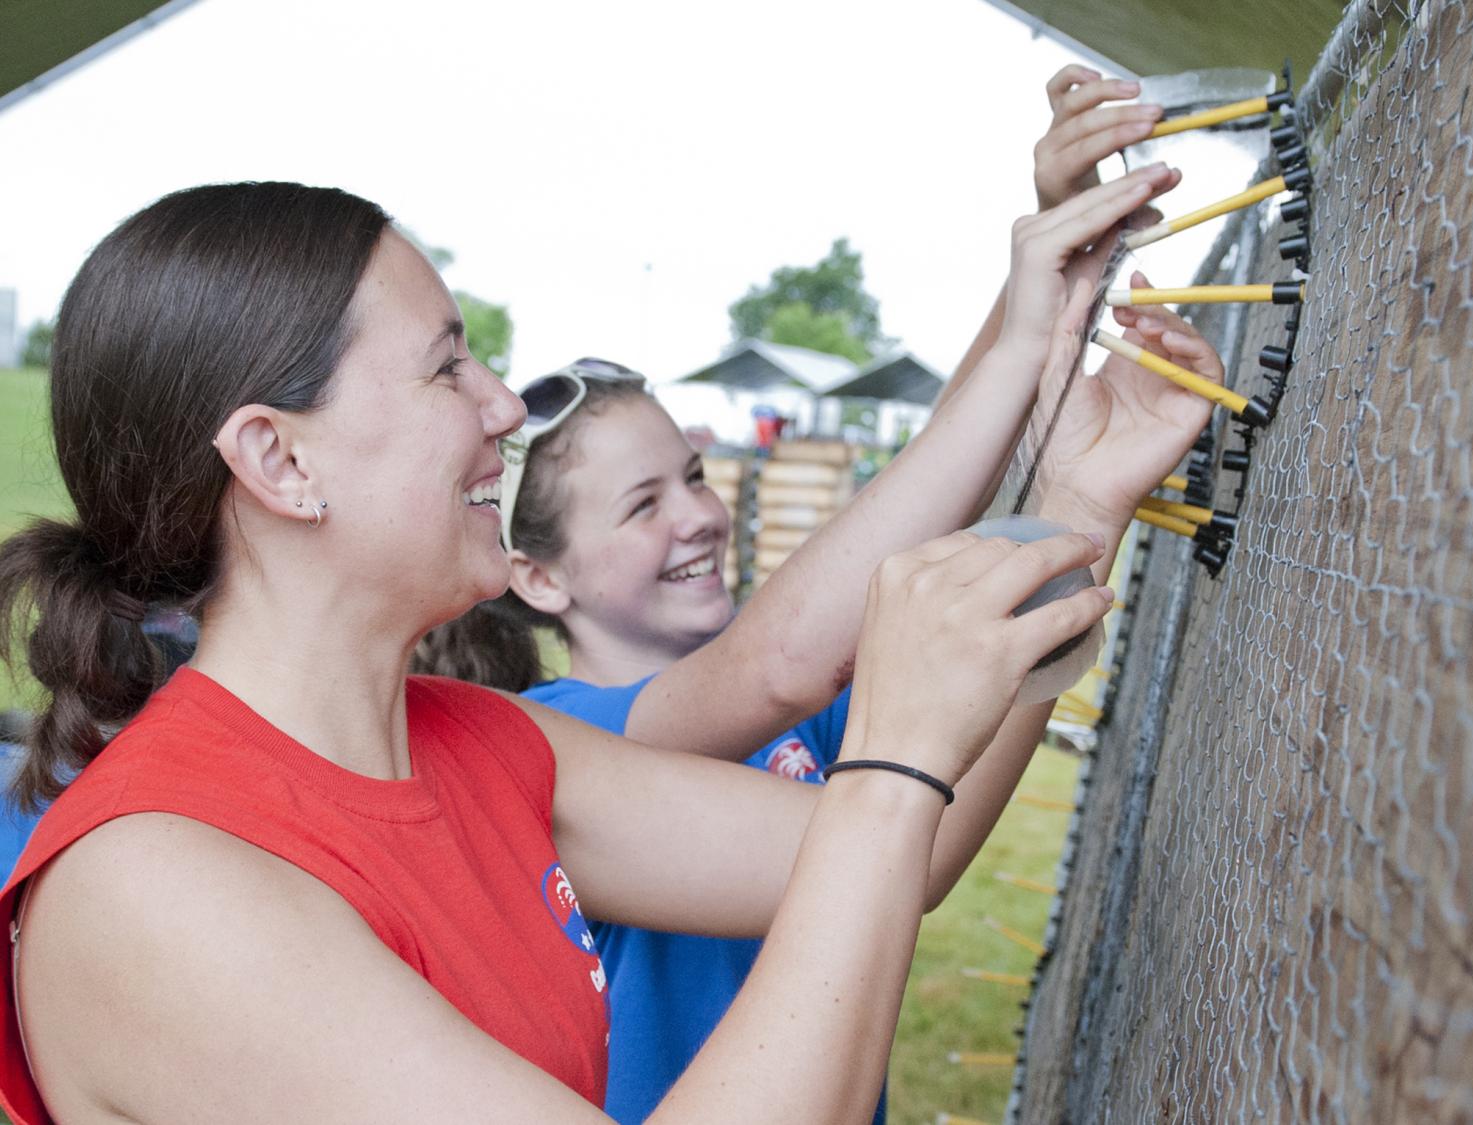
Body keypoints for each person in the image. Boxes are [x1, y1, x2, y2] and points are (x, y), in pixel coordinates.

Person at [0, 161, 1184, 1123]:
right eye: (447, 368)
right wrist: (892, 761)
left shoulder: (481, 744)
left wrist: (1076, 512)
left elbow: (892, 862)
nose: (503, 407)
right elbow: (880, 805)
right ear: (280, 460)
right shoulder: (155, 887)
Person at [412, 68, 1222, 1125]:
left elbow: (924, 841)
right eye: (642, 505)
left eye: (693, 477)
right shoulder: (561, 734)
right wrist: (1030, 324)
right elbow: (777, 663)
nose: (698, 517)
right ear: (538, 577)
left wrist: (1082, 500)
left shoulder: (814, 722)